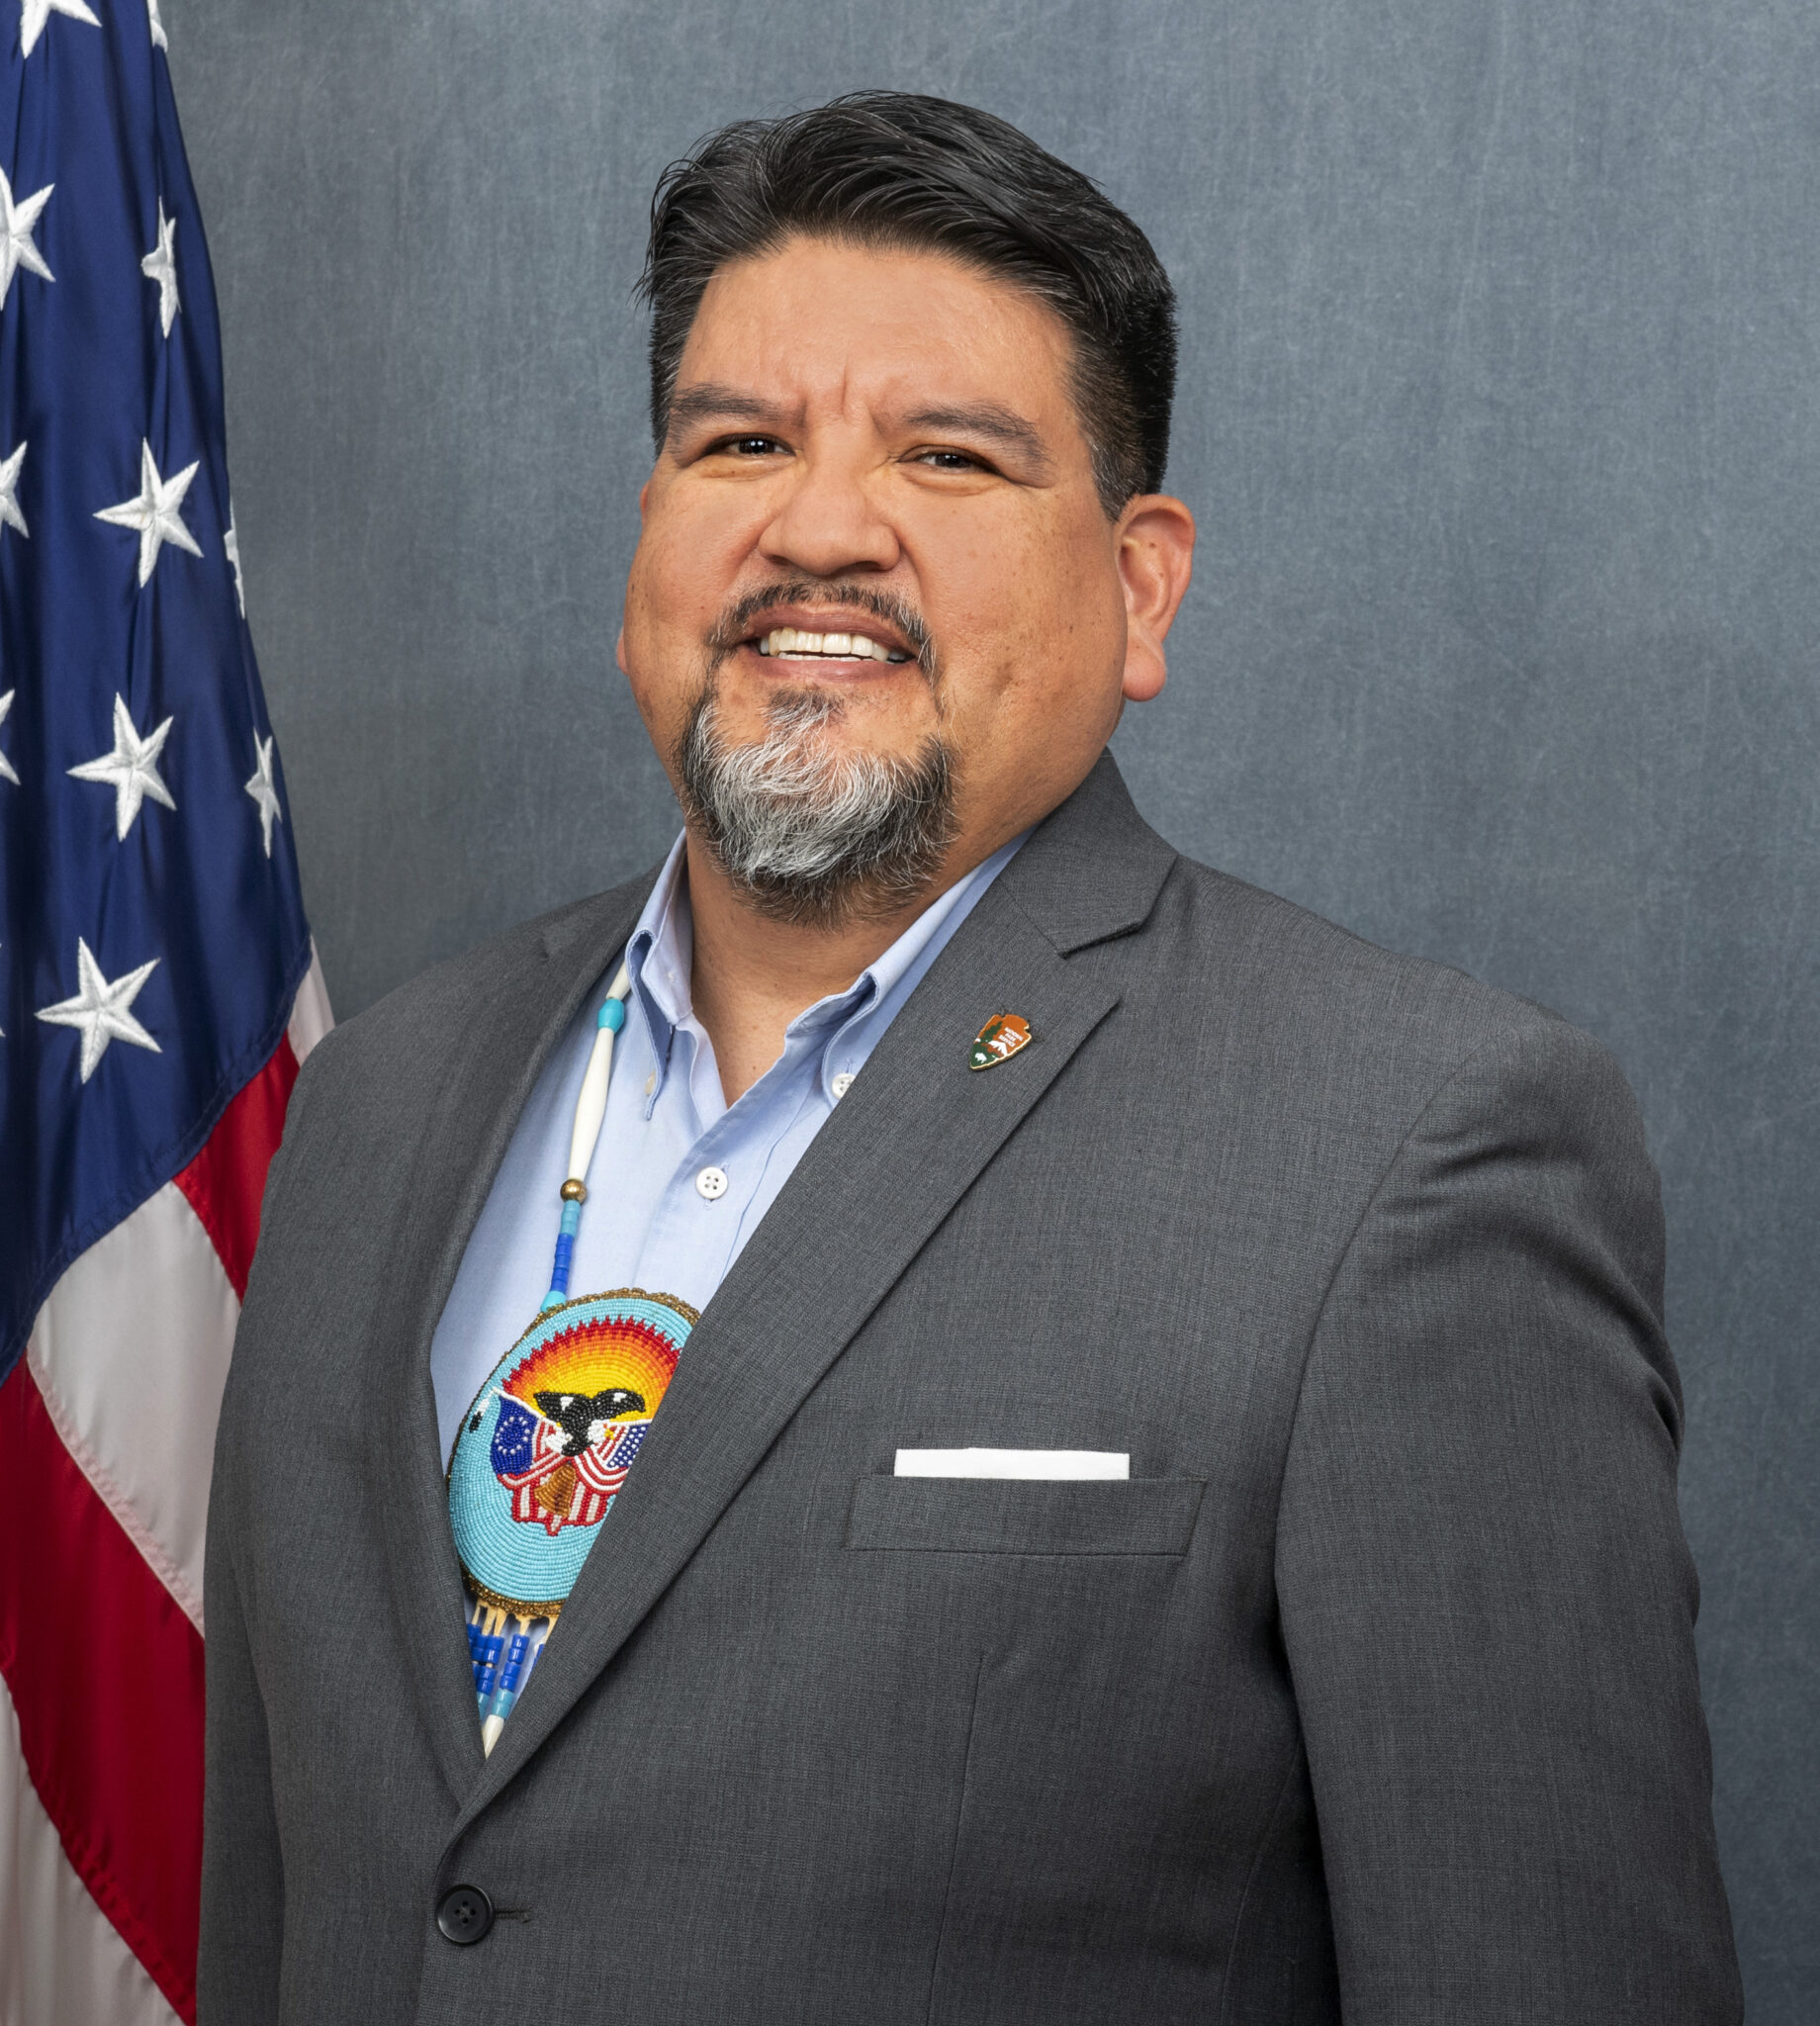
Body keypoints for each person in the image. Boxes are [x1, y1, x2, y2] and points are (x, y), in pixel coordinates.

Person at [199, 91, 1740, 2024]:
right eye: (738, 441)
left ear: (1138, 582)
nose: (818, 527)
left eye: (946, 456)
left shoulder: (1402, 1150)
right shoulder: (376, 1098)